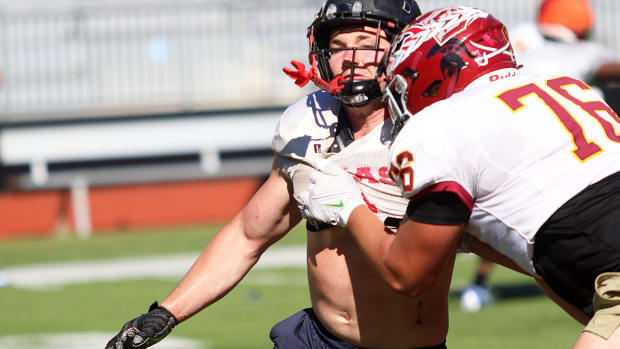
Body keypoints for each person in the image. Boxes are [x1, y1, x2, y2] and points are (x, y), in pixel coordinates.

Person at [104, 1, 462, 348]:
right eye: (338, 46)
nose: (350, 59)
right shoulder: (310, 128)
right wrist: (167, 313)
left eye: (366, 44)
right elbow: (248, 236)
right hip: (317, 339)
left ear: (405, 47)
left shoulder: (434, 133)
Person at [300, 5, 620, 349]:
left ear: (439, 67)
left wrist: (345, 204)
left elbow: (407, 274)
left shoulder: (439, 125)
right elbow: (557, 261)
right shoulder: (569, 89)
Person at [510, 0, 620, 110]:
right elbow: (610, 69)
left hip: (511, 106)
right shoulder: (587, 50)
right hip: (558, 112)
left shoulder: (522, 34)